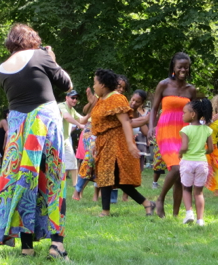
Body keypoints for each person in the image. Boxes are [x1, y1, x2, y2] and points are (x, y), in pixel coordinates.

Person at [0, 24, 71, 259]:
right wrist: (53, 59)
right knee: (53, 180)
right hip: (44, 120)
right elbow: (67, 85)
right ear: (32, 40)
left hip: (18, 128)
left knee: (24, 181)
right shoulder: (41, 55)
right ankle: (57, 245)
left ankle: (27, 247)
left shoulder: (1, 69)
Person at [91, 68, 155, 217]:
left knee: (114, 177)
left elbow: (126, 122)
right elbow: (100, 124)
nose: (93, 86)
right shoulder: (101, 100)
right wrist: (95, 143)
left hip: (117, 143)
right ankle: (146, 204)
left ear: (103, 85)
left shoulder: (116, 98)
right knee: (112, 178)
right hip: (105, 143)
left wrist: (131, 144)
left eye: (95, 83)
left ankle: (106, 211)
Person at [148, 52, 197, 218]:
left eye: (186, 67)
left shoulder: (191, 89)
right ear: (173, 68)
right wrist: (150, 127)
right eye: (180, 67)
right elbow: (154, 108)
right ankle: (160, 199)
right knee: (176, 167)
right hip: (166, 130)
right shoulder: (164, 85)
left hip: (184, 131)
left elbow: (194, 113)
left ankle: (175, 214)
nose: (183, 69)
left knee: (181, 175)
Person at [179, 99, 214, 226]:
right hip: (201, 163)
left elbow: (184, 147)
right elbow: (210, 149)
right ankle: (200, 220)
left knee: (186, 189)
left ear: (193, 114)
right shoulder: (207, 130)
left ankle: (189, 213)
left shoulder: (185, 130)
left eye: (184, 112)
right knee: (199, 192)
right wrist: (201, 153)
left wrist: (179, 154)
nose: (183, 115)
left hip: (187, 162)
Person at [59, 90, 89, 186]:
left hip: (65, 139)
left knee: (72, 161)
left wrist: (91, 114)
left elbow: (81, 119)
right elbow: (67, 117)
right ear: (66, 98)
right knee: (56, 163)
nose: (75, 100)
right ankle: (56, 184)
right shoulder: (61, 106)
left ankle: (75, 185)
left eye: (76, 98)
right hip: (55, 139)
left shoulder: (72, 109)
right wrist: (79, 125)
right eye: (72, 97)